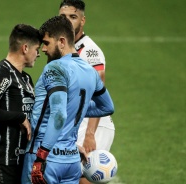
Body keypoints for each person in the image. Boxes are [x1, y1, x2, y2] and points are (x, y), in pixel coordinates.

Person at [21, 15, 114, 184]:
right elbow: (107, 107)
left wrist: (41, 156)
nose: (43, 49)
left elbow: (58, 115)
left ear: (62, 41)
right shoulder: (90, 71)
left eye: (47, 43)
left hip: (46, 158)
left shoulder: (54, 68)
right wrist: (77, 107)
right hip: (71, 160)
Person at [59, 1, 116, 182]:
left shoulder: (90, 52)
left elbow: (97, 94)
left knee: (82, 176)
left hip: (92, 123)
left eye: (73, 17)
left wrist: (90, 134)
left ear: (82, 21)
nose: (67, 21)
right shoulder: (62, 48)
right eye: (63, 17)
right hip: (76, 122)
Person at [0, 24, 41, 184]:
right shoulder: (1, 71)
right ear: (25, 48)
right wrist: (19, 117)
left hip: (20, 161)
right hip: (1, 161)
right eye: (36, 49)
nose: (38, 54)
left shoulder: (26, 79)